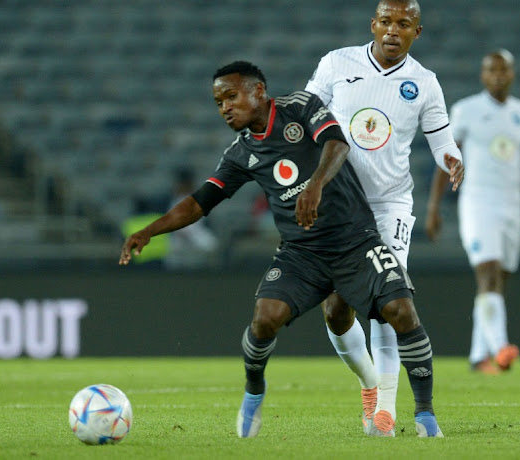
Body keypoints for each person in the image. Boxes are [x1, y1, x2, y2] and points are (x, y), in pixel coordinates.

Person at [120, 61, 445, 438]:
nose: (225, 106)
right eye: (218, 101)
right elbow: (199, 202)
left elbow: (337, 143)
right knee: (264, 318)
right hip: (302, 252)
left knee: (399, 309)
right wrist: (149, 231)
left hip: (355, 240)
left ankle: (424, 415)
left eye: (231, 96)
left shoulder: (300, 107)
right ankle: (255, 390)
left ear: (258, 91)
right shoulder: (241, 153)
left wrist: (316, 184)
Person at [304, 0, 464, 436]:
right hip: (339, 201)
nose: (393, 30)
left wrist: (452, 158)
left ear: (417, 31)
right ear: (372, 25)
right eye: (386, 21)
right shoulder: (337, 64)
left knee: (387, 302)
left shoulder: (424, 82)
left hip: (391, 202)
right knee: (336, 310)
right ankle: (369, 384)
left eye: (403, 24)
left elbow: (441, 139)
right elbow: (304, 113)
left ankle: (385, 413)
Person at [425, 49, 520, 375]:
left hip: (512, 205)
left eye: (503, 70)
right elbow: (446, 161)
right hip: (478, 202)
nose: (497, 76)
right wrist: (434, 207)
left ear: (512, 74)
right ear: (482, 75)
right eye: (491, 70)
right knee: (488, 273)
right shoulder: (466, 110)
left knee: (499, 281)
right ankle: (500, 348)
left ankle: (479, 357)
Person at [164, 168, 219, 270]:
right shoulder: (174, 201)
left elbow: (199, 225)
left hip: (196, 234)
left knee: (212, 244)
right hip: (179, 237)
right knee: (171, 251)